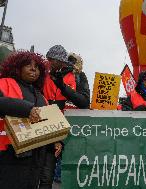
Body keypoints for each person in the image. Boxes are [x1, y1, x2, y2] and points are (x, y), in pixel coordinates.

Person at [40, 46, 90, 189]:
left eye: (51, 60)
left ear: (61, 61)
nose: (48, 62)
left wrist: (62, 87)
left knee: (70, 174)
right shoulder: (44, 75)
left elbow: (84, 103)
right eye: (47, 59)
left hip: (72, 132)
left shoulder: (79, 76)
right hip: (48, 129)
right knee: (45, 176)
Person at [0, 51, 48, 189]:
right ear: (17, 67)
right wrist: (27, 109)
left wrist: (56, 141)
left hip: (35, 158)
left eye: (37, 67)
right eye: (28, 65)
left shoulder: (41, 96)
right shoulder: (4, 83)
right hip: (8, 153)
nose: (34, 69)